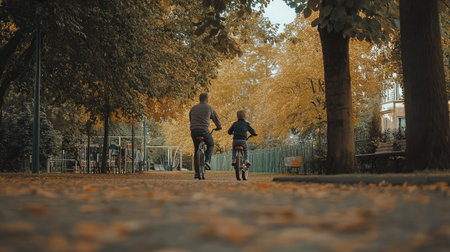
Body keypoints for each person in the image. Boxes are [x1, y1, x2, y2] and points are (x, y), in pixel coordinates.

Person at [189, 93, 222, 179]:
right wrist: (219, 127)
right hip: (204, 131)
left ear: (199, 99)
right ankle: (207, 161)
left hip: (194, 131)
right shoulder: (210, 107)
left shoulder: (193, 108)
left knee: (196, 149)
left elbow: (190, 119)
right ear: (207, 99)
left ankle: (196, 173)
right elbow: (216, 119)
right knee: (210, 144)